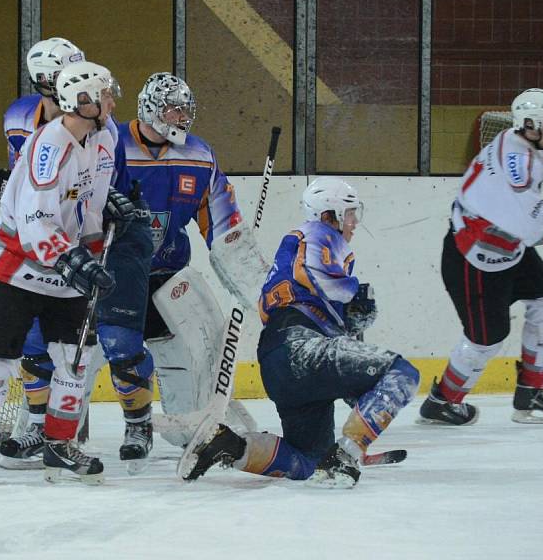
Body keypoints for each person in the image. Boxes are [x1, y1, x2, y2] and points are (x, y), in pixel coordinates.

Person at [179, 177, 420, 488]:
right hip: (300, 348)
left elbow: (332, 329)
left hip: (279, 362)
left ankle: (231, 446)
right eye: (349, 213)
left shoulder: (309, 249)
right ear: (328, 214)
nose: (354, 222)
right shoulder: (318, 232)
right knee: (402, 372)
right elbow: (312, 274)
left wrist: (354, 318)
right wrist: (353, 292)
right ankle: (345, 457)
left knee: (309, 460)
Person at [0, 38, 134, 470]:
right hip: (18, 267)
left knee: (74, 362)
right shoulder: (47, 146)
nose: (113, 100)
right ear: (84, 102)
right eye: (106, 94)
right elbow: (35, 219)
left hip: (67, 268)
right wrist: (72, 259)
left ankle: (60, 443)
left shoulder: (105, 137)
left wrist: (107, 210)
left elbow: (85, 197)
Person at [95, 72, 268, 473]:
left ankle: (168, 427)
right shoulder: (108, 143)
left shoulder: (199, 155)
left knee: (184, 360)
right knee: (83, 356)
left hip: (167, 273)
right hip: (109, 271)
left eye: (186, 110)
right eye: (174, 109)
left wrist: (253, 285)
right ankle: (51, 429)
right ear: (151, 109)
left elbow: (224, 229)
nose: (182, 118)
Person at [418, 86, 543, 426]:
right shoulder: (511, 178)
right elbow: (541, 230)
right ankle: (441, 402)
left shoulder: (520, 141)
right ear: (533, 124)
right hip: (474, 260)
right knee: (486, 340)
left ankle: (531, 392)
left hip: (505, 247)